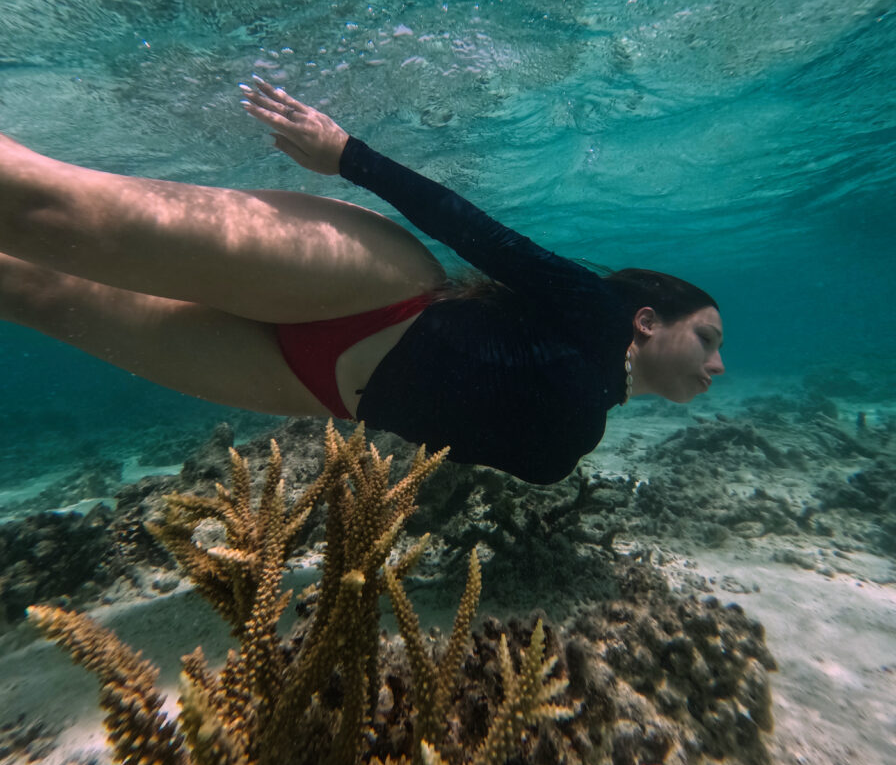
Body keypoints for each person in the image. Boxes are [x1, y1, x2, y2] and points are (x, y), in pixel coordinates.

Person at [0, 78, 724, 483]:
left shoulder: (585, 434)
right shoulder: (597, 312)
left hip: (318, 389)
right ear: (648, 320)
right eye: (707, 338)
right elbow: (481, 236)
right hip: (376, 289)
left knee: (35, 294)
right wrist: (348, 155)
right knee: (51, 210)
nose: (718, 364)